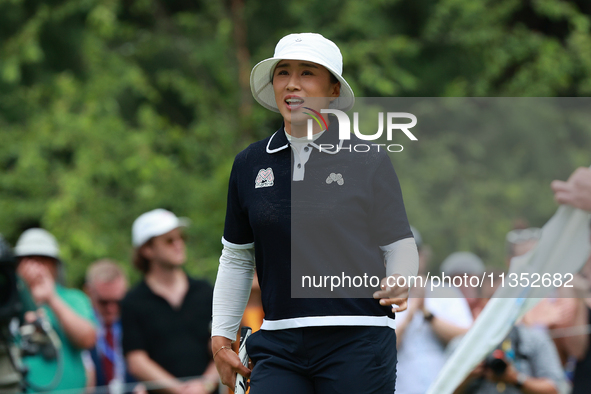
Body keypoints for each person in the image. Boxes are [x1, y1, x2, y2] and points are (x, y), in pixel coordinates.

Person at [211, 32, 419, 394]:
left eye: (308, 73)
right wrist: (220, 338)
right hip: (278, 344)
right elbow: (237, 258)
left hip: (358, 339)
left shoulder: (368, 158)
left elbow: (399, 242)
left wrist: (401, 277)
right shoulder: (249, 164)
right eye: (283, 73)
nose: (293, 84)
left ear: (333, 89)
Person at [120, 209, 219, 394]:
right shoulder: (133, 301)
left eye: (180, 238)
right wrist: (181, 391)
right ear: (147, 249)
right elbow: (136, 361)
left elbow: (225, 345)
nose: (178, 244)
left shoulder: (205, 291)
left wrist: (205, 384)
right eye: (169, 240)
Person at [452, 273, 566, 394]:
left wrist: (516, 379)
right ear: (479, 301)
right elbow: (441, 389)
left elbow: (555, 389)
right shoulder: (462, 346)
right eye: (492, 298)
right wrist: (466, 376)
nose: (499, 304)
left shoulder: (535, 340)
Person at [15, 228, 97, 393]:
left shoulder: (73, 298)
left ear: (55, 265)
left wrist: (51, 298)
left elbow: (88, 339)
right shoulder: (10, 302)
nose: (36, 267)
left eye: (43, 260)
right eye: (29, 259)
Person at [395, 250, 479, 394]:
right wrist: (411, 312)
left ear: (423, 256)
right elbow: (381, 348)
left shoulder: (446, 293)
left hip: (445, 388)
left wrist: (426, 312)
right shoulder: (380, 298)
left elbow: (467, 339)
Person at [85, 259, 136, 390]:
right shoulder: (82, 326)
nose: (111, 309)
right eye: (103, 302)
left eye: (118, 302)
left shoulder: (136, 324)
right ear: (89, 292)